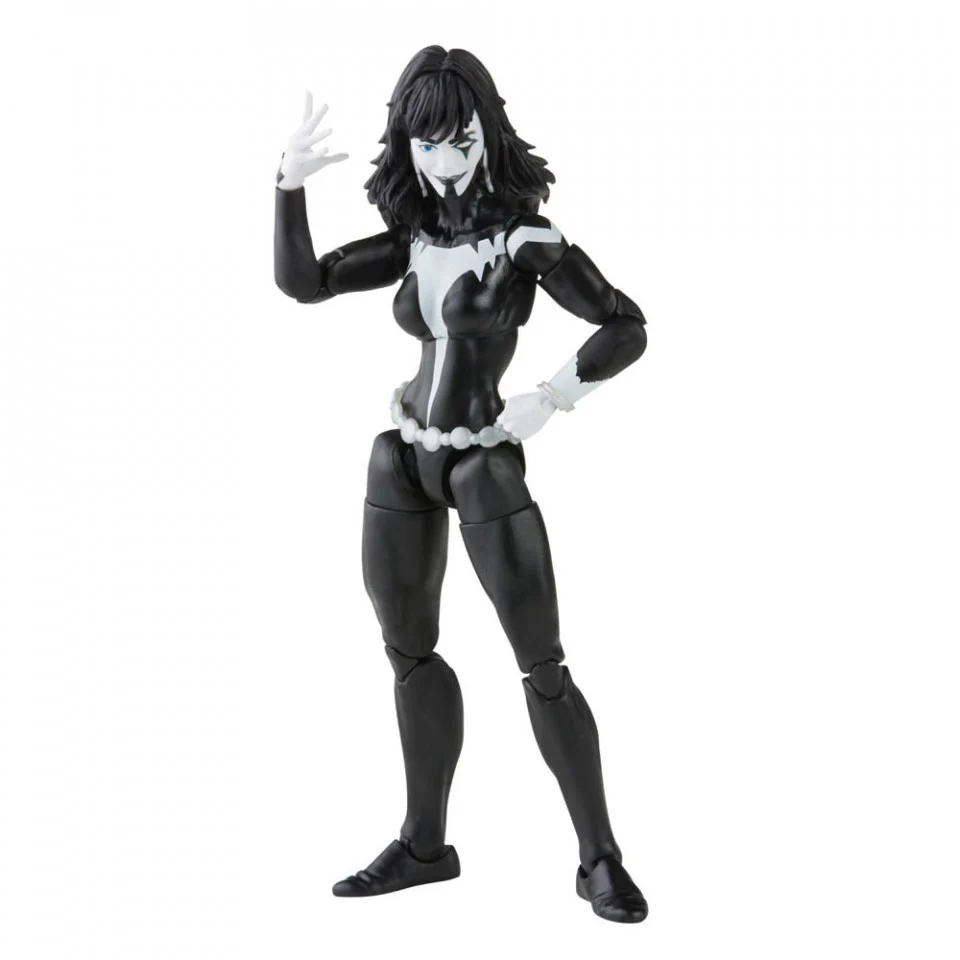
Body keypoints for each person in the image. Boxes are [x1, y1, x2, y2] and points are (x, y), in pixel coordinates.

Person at [274, 45, 649, 924]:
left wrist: (552, 397)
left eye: (460, 140)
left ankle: (598, 856)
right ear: (407, 146)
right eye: (427, 143)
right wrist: (286, 185)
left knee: (542, 664)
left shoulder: (525, 241)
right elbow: (305, 284)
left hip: (483, 459)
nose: (443, 161)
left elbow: (626, 325)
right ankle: (424, 845)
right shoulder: (414, 239)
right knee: (408, 653)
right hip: (404, 456)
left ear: (488, 136)